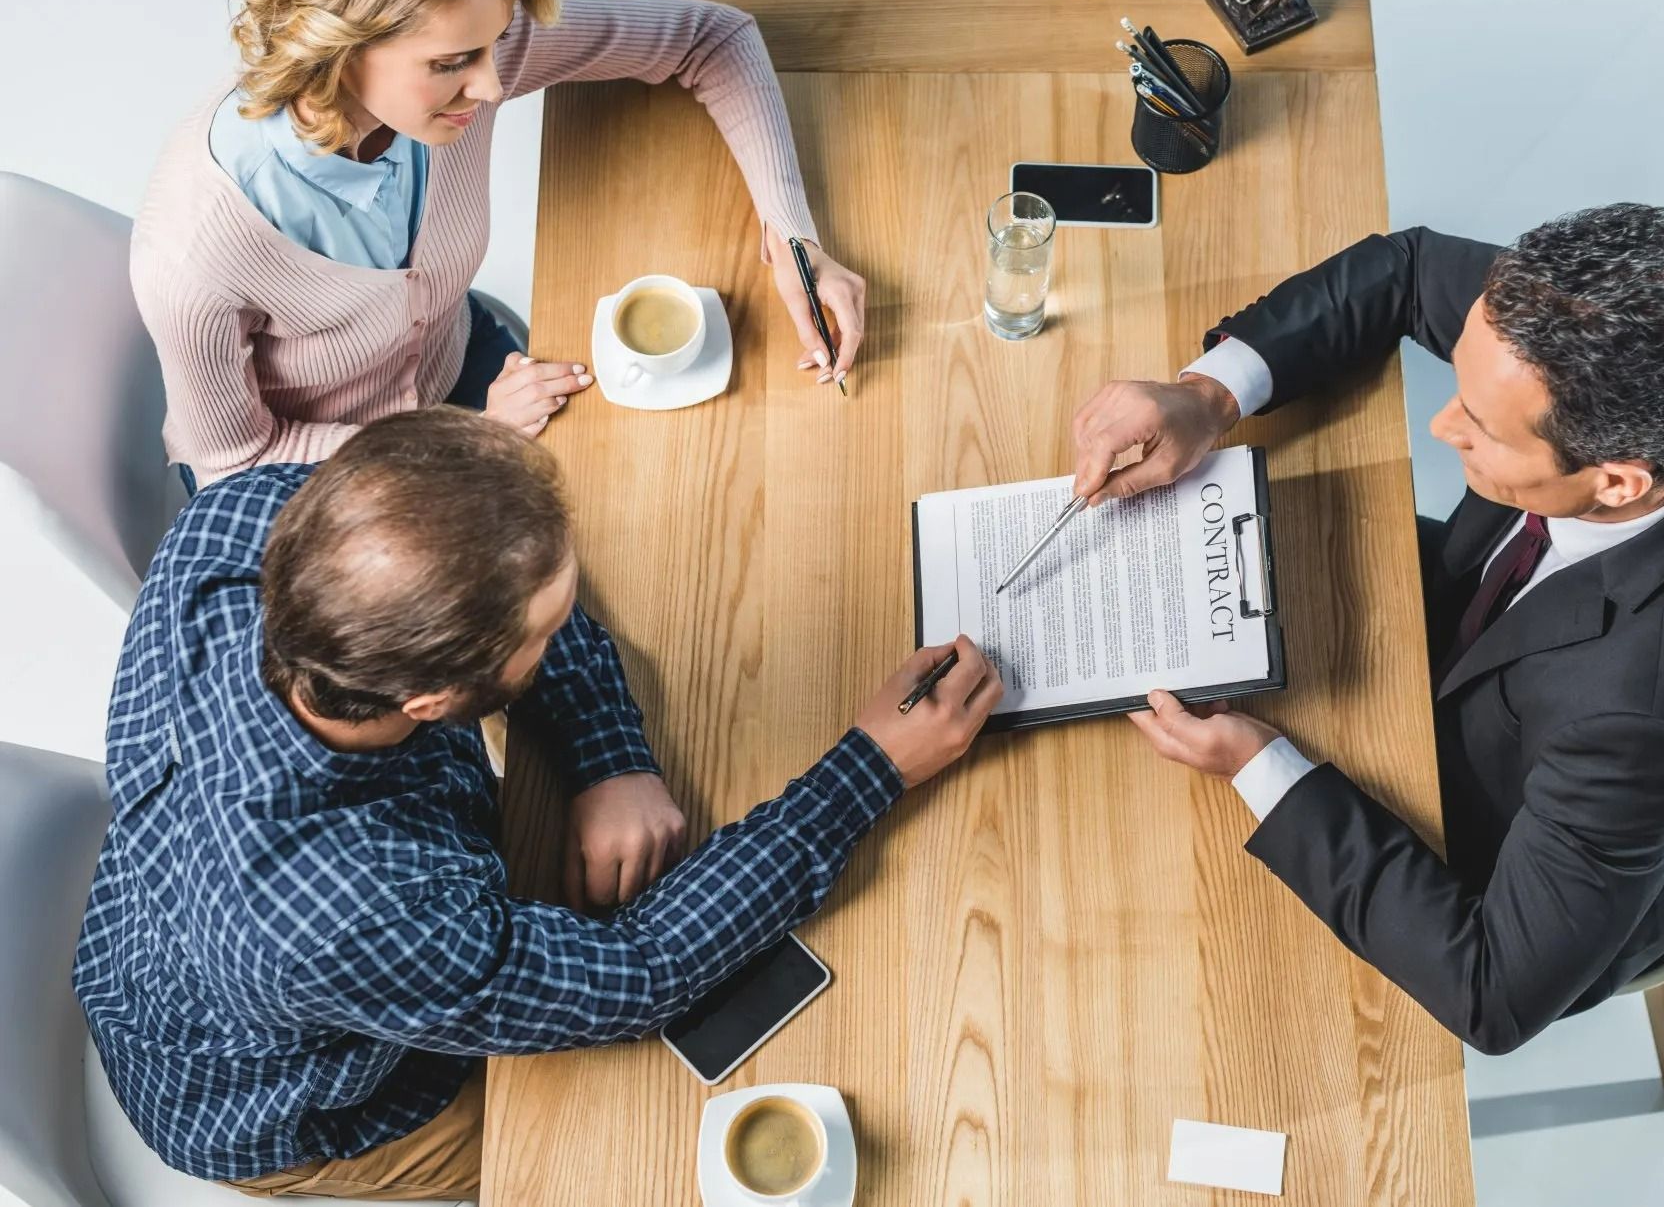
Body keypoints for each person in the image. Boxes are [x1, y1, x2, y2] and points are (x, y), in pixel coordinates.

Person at [72, 408, 1000, 1196]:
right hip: (285, 1099)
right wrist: (872, 766)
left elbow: (516, 595)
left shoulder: (243, 521)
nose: (564, 634)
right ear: (431, 703)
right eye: (546, 634)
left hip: (195, 943)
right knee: (628, 1147)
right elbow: (639, 971)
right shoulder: (349, 917)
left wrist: (611, 756)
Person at [1070, 204, 1664, 1054]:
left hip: (1510, 842)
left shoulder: (1642, 733)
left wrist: (1257, 763)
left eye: (1479, 429)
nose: (1444, 427)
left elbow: (1491, 992)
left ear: (1618, 483)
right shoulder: (1659, 356)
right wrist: (1207, 396)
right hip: (1481, 632)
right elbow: (1410, 268)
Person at [137, 0, 867, 491]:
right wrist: (468, 438)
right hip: (324, 475)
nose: (492, 87)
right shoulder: (196, 253)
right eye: (451, 64)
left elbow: (713, 38)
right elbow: (238, 465)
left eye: (490, 47)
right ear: (338, 47)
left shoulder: (467, 47)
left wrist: (793, 239)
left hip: (466, 374)